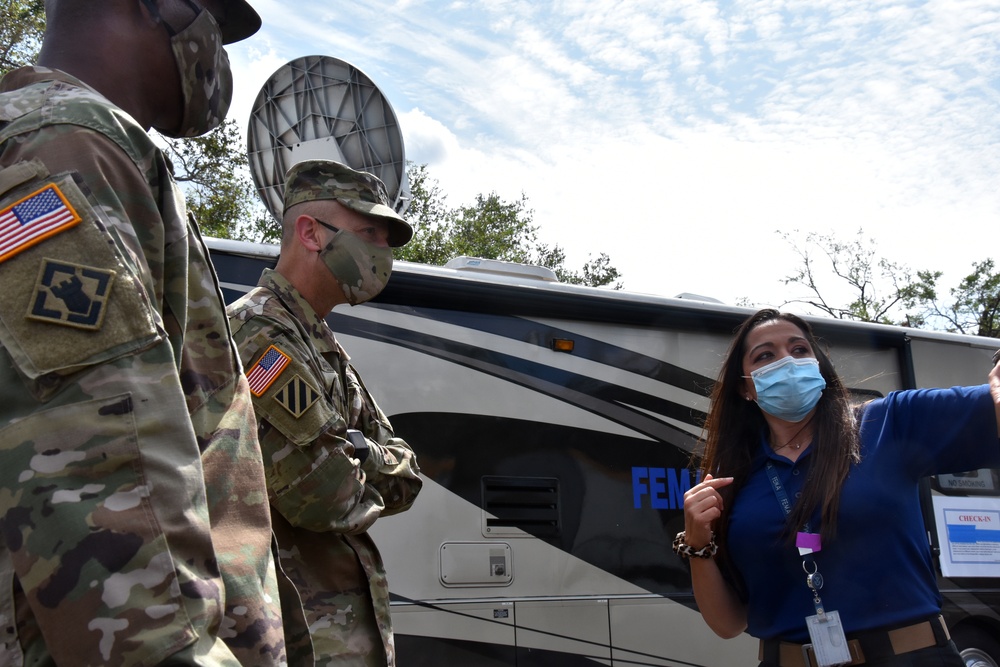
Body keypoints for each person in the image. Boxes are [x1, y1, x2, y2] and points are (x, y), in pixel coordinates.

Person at [0, 1, 291, 665]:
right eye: (213, 20)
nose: (217, 52)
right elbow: (102, 483)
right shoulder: (67, 144)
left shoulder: (87, 145)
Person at [678, 308, 1000, 667]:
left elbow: (992, 405)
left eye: (799, 350)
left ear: (818, 367)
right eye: (765, 355)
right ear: (745, 387)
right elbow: (727, 624)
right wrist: (696, 544)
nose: (787, 361)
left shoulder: (889, 423)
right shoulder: (728, 478)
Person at [227, 159, 423, 666]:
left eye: (384, 241)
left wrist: (357, 451)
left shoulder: (321, 343)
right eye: (367, 234)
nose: (381, 254)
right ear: (311, 233)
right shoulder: (259, 334)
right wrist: (363, 456)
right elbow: (326, 494)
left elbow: (410, 475)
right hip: (292, 640)